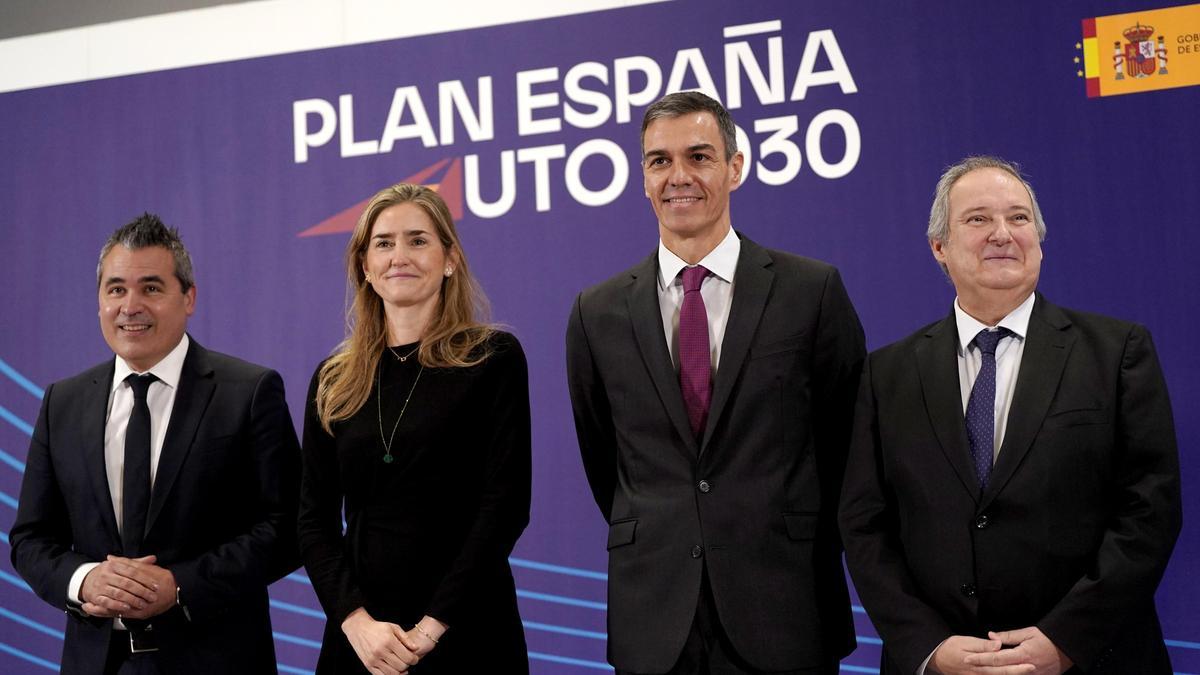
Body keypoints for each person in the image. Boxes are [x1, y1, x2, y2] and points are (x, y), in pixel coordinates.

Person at [839, 156, 1182, 675]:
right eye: (978, 219)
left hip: (1093, 659)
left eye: (1019, 218)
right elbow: (865, 525)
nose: (1002, 233)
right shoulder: (886, 374)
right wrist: (928, 647)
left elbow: (1150, 511)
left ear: (1038, 241)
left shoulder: (1117, 352)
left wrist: (1067, 640)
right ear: (939, 247)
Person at [566, 91, 865, 674]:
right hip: (655, 619)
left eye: (699, 156)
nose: (678, 176)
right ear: (643, 177)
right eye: (659, 161)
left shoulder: (811, 291)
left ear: (735, 167)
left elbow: (847, 447)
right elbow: (606, 460)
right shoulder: (595, 312)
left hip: (786, 608)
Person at [10, 214, 302, 674]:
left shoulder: (248, 392)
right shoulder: (61, 402)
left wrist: (180, 585)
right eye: (116, 289)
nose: (131, 306)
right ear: (99, 301)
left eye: (150, 288)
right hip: (95, 662)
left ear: (188, 298)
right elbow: (31, 538)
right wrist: (84, 580)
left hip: (215, 661)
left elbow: (287, 526)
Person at [298, 183, 531, 674]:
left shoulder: (492, 359)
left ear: (450, 259)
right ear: (365, 266)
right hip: (362, 641)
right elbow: (313, 521)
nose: (399, 256)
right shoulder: (333, 380)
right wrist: (355, 623)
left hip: (469, 627)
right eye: (383, 243)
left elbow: (505, 506)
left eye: (418, 240)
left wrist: (430, 629)